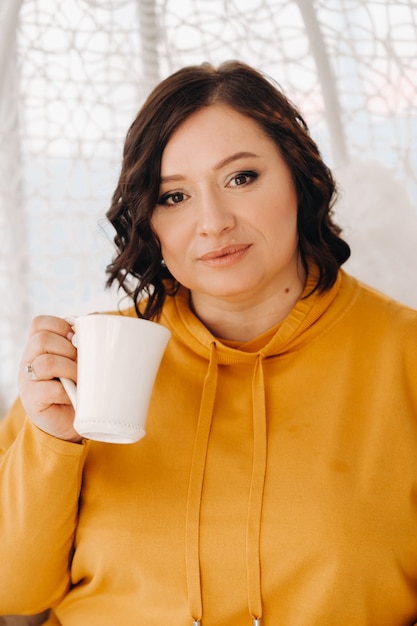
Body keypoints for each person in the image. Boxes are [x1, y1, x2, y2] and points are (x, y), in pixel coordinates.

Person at [1, 60, 417, 626]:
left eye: (241, 178)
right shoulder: (88, 363)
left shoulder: (404, 355)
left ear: (301, 178)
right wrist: (51, 441)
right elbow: (14, 596)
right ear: (148, 222)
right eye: (174, 197)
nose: (213, 222)